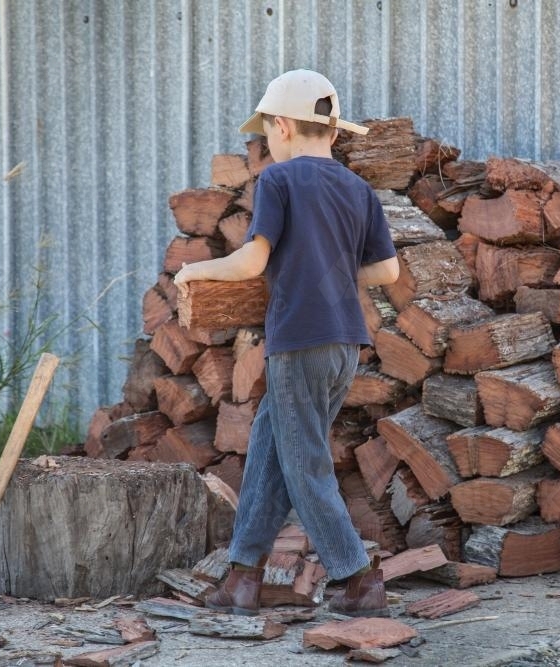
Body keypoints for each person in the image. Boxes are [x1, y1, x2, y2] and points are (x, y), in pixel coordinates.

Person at [173, 69, 400, 617]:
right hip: (344, 342)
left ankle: (358, 579)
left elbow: (253, 259)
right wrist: (330, 268)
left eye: (265, 134)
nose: (265, 145)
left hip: (298, 340)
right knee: (272, 455)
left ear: (280, 127)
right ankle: (242, 576)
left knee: (305, 464)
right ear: (334, 133)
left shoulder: (277, 181)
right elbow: (387, 271)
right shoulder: (357, 188)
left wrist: (193, 272)